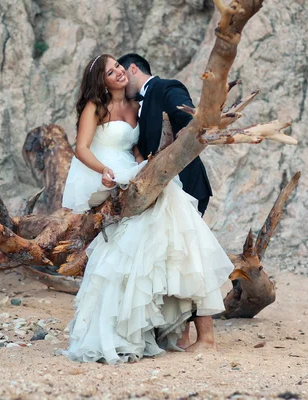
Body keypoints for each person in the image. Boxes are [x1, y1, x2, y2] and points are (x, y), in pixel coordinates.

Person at [61, 54, 233, 364]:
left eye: (118, 67)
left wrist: (147, 162)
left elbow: (137, 148)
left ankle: (181, 331)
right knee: (135, 247)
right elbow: (81, 148)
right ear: (102, 81)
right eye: (111, 72)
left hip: (136, 172)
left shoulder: (134, 106)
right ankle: (138, 330)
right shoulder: (95, 108)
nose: (118, 74)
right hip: (111, 176)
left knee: (167, 237)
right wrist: (103, 170)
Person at [117, 53, 214, 351]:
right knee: (173, 261)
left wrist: (187, 125)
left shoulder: (166, 87)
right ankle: (182, 334)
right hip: (163, 193)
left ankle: (207, 339)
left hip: (186, 187)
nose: (121, 82)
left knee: (191, 260)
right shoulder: (137, 106)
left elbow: (185, 113)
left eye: (123, 73)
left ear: (133, 68)